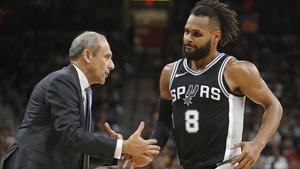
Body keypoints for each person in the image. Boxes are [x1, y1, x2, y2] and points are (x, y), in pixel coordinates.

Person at [131, 0, 283, 169]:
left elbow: (274, 105)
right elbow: (164, 123)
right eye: (186, 32)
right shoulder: (169, 72)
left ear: (215, 37)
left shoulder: (235, 70)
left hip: (225, 165)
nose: (188, 39)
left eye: (196, 34)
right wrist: (149, 151)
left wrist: (258, 143)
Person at [0, 31, 160, 169]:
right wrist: (122, 146)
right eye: (107, 57)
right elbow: (70, 134)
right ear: (88, 55)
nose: (112, 65)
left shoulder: (84, 91)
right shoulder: (63, 81)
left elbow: (76, 150)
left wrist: (122, 152)